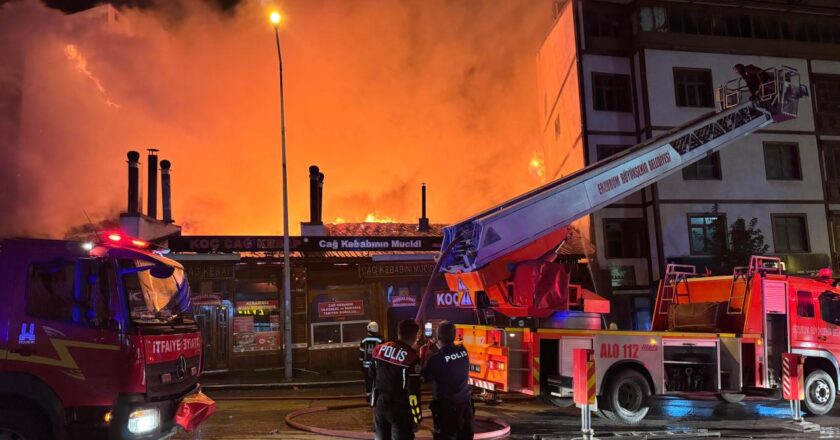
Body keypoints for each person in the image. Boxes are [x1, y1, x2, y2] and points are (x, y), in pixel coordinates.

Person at [420, 321, 474, 440]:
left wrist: (426, 357)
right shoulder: (463, 351)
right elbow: (449, 359)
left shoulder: (436, 359)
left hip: (446, 409)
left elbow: (424, 377)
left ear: (437, 337)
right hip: (464, 406)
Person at [371, 319, 422, 440]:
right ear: (415, 336)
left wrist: (374, 405)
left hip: (380, 404)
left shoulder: (379, 350)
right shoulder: (411, 358)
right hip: (400, 408)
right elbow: (413, 393)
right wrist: (417, 418)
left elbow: (372, 379)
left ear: (398, 333)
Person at [359, 321, 383, 398]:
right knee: (377, 380)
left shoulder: (364, 340)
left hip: (366, 366)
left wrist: (360, 364)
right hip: (377, 366)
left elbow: (361, 353)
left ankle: (369, 396)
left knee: (368, 381)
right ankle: (376, 395)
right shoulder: (381, 340)